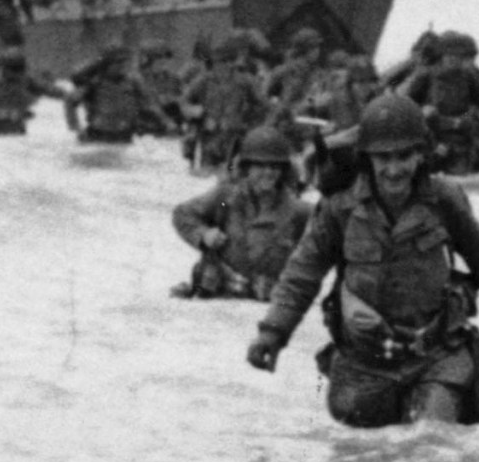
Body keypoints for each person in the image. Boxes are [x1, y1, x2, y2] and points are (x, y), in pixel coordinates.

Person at [248, 96, 479, 426]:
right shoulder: (340, 209)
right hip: (365, 362)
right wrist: (273, 333)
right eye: (384, 158)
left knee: (433, 439)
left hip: (437, 356)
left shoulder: (444, 200)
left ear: (421, 154)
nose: (394, 169)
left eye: (404, 156)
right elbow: (301, 275)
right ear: (368, 159)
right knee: (369, 457)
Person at [172, 125, 313, 299]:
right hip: (219, 300)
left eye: (275, 167)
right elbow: (183, 214)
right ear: (247, 168)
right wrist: (204, 235)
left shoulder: (298, 211)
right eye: (261, 166)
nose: (269, 173)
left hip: (267, 302)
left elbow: (322, 248)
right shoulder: (225, 199)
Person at [403, 31, 479, 175]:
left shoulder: (469, 77)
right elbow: (404, 106)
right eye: (450, 55)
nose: (454, 60)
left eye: (458, 56)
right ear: (442, 55)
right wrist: (422, 113)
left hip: (459, 138)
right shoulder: (426, 75)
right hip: (431, 137)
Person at [182, 34, 272, 172]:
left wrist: (248, 123)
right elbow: (184, 103)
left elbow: (263, 105)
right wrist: (201, 115)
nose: (223, 65)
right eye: (220, 61)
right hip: (210, 141)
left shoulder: (245, 81)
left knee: (234, 174)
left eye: (227, 61)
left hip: (236, 139)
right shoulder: (203, 81)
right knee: (208, 177)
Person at [66, 40, 162, 144]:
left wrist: (162, 121)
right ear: (107, 65)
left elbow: (149, 103)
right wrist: (76, 127)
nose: (122, 66)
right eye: (118, 63)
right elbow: (70, 101)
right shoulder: (95, 82)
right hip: (97, 135)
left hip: (124, 136)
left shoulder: (132, 82)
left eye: (124, 62)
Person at [0, 47, 70, 135]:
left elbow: (48, 89)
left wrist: (67, 95)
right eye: (12, 69)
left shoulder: (26, 79)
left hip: (15, 127)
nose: (16, 74)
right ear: (4, 67)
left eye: (19, 70)